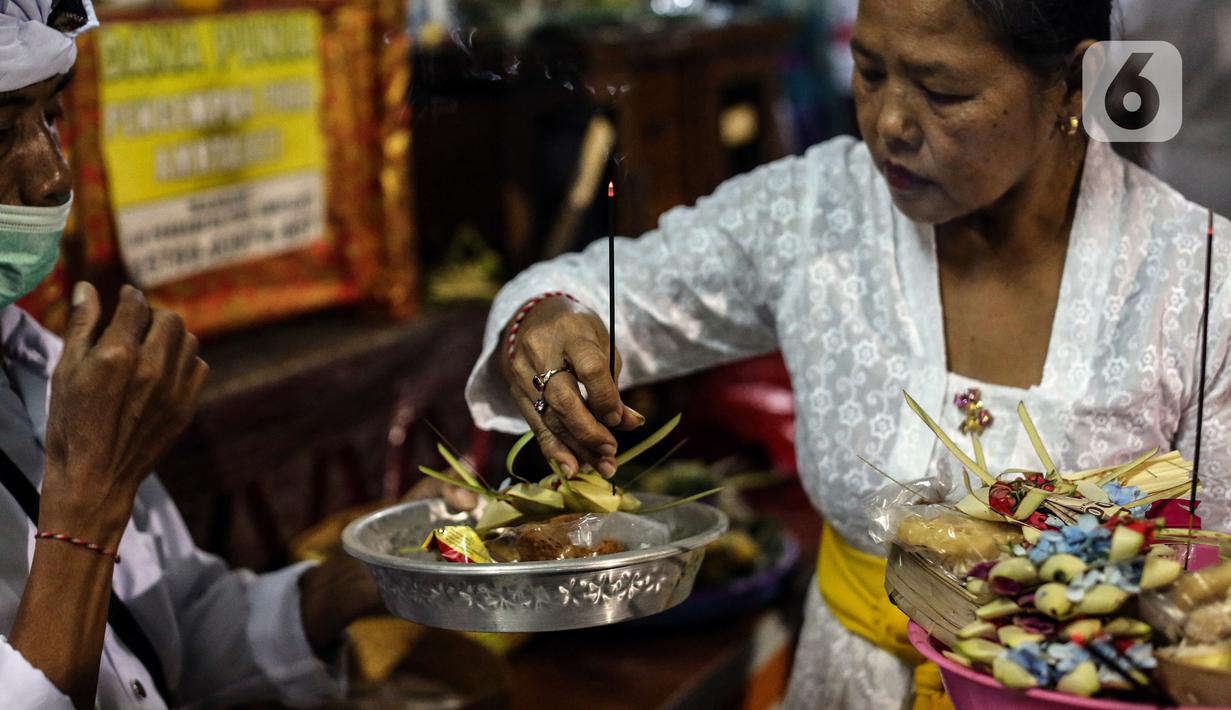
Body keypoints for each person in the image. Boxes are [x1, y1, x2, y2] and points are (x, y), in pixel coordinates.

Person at [464, 0, 1231, 708]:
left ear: (1073, 81)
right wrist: (552, 318)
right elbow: (603, 289)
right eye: (868, 73)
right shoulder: (815, 211)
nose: (888, 122)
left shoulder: (1197, 282)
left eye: (942, 91)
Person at [0, 3, 384, 707]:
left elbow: (164, 639)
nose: (54, 176)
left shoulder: (35, 364)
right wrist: (85, 513)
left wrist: (368, 576)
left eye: (49, 118)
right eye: (0, 135)